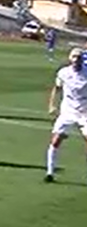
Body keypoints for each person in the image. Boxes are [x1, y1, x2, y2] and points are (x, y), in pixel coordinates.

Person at [44, 47, 87, 183]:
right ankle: (50, 172)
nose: (76, 60)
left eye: (79, 57)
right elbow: (56, 88)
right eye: (74, 57)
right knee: (56, 140)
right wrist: (51, 105)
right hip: (67, 112)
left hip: (84, 112)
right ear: (70, 58)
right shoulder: (63, 73)